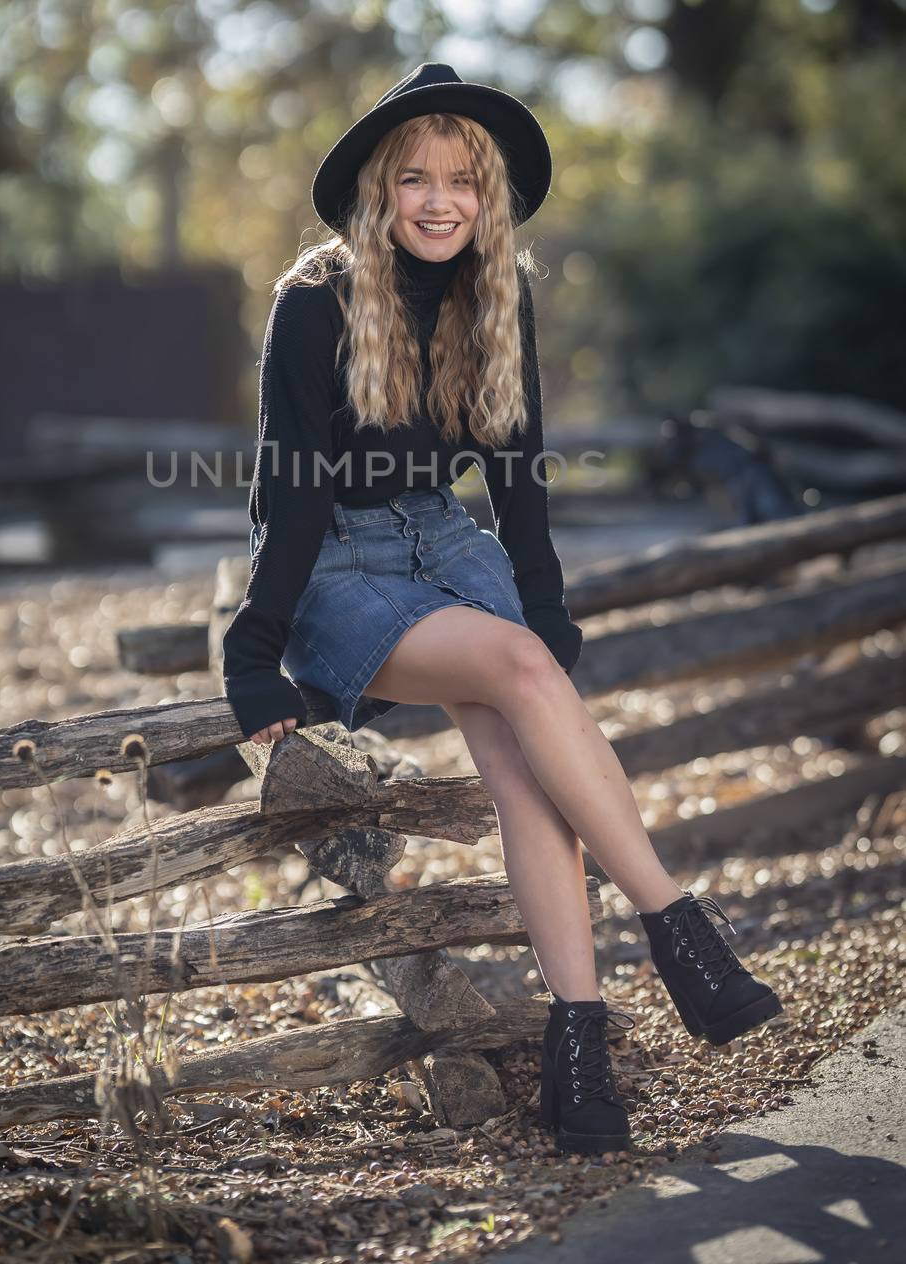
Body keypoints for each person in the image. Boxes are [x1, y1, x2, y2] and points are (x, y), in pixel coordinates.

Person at [221, 62, 783, 1156]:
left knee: (526, 766)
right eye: (416, 179)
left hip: (445, 542)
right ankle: (678, 930)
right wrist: (253, 652)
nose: (439, 201)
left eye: (462, 183)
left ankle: (579, 1059)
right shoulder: (311, 307)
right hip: (338, 564)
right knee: (525, 677)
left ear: (490, 198)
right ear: (380, 190)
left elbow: (517, 473)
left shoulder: (498, 293)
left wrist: (543, 602)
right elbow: (289, 496)